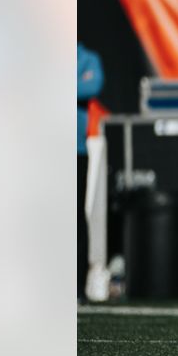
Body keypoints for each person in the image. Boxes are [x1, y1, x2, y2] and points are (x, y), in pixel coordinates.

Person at [78, 44, 105, 302]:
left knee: (76, 216)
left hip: (75, 149)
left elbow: (92, 87)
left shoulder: (87, 57)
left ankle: (76, 286)